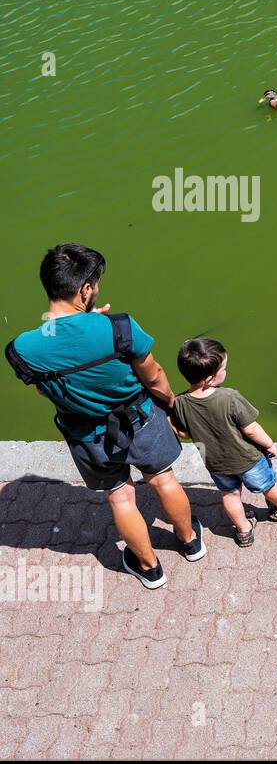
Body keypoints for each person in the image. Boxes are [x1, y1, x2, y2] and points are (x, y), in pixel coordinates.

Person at [4, 243, 204, 589]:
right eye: (95, 284)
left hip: (87, 435)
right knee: (162, 480)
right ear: (85, 290)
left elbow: (42, 388)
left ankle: (149, 567)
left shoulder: (21, 350)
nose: (97, 289)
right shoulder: (119, 329)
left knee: (121, 496)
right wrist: (172, 405)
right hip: (140, 419)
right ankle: (189, 542)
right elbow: (154, 376)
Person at [171, 338, 277, 547]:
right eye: (224, 368)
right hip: (248, 459)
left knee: (230, 494)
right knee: (268, 485)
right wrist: (270, 444)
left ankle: (244, 530)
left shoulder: (180, 403)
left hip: (216, 464)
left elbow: (184, 433)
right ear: (210, 379)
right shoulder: (229, 397)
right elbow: (251, 429)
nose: (226, 371)